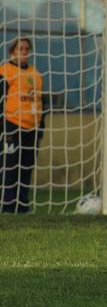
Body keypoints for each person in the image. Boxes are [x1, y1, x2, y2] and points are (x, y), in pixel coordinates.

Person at [0, 37, 45, 213]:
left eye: (27, 48)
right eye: (21, 48)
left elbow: (43, 102)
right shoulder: (5, 71)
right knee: (10, 167)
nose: (25, 51)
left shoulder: (36, 74)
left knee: (27, 167)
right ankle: (7, 206)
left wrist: (41, 128)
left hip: (32, 128)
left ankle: (22, 204)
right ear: (12, 52)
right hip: (12, 126)